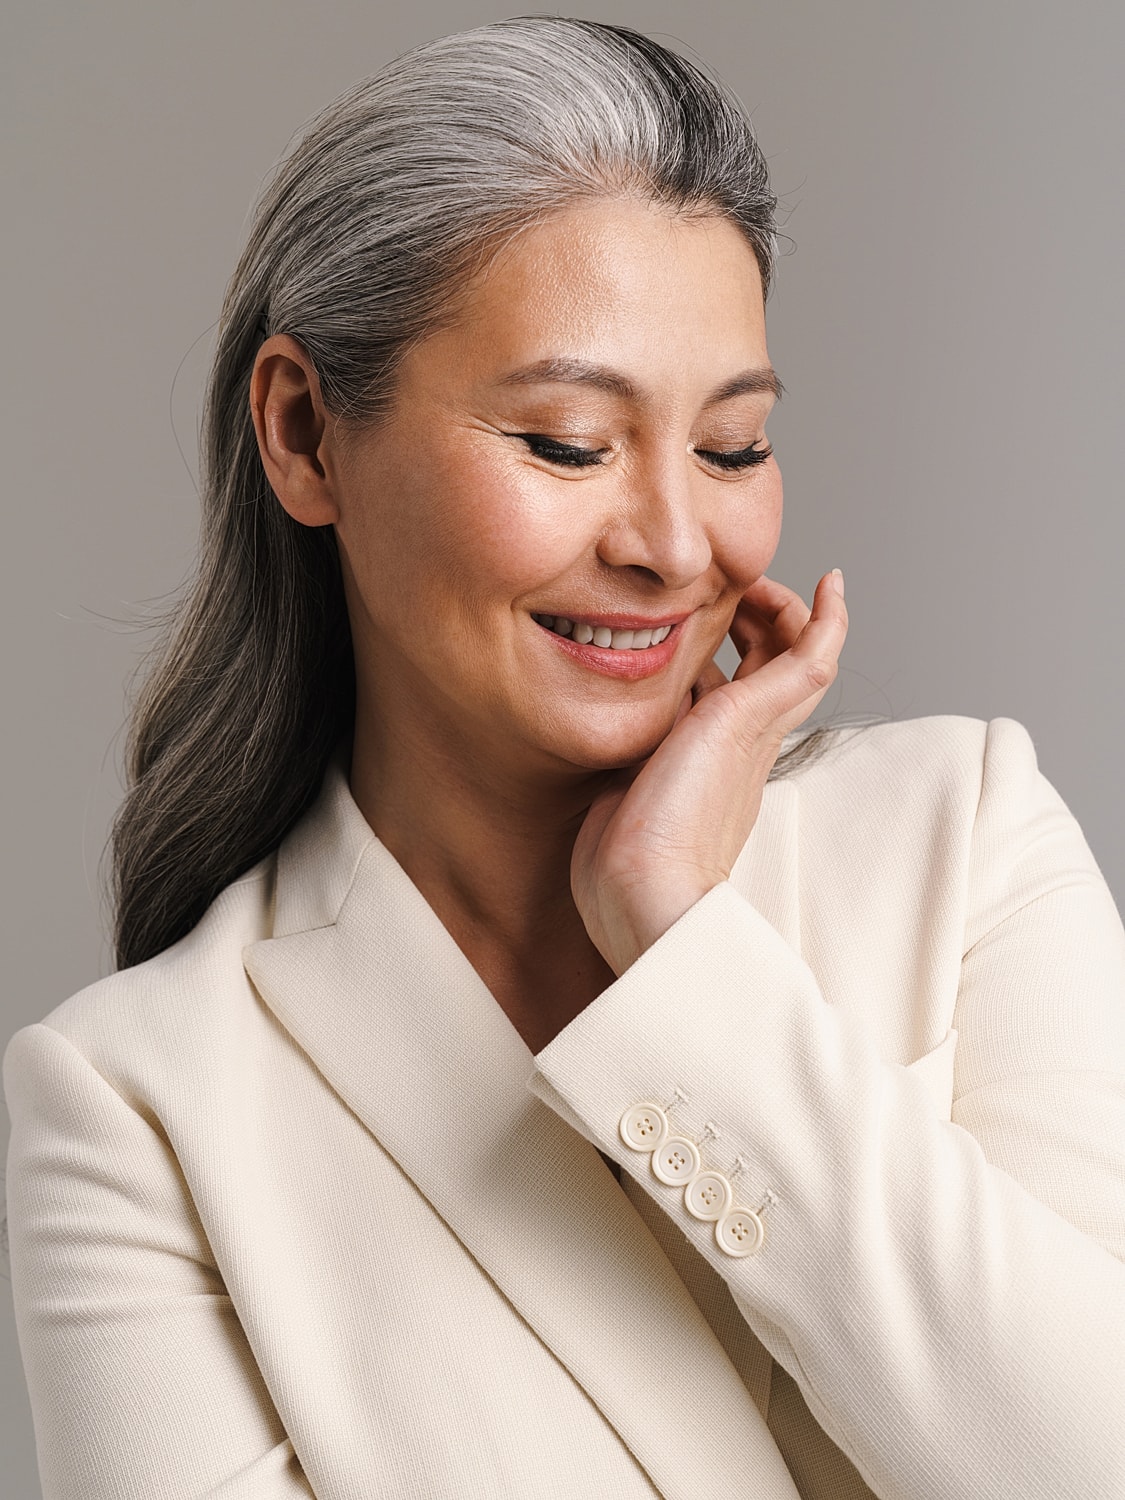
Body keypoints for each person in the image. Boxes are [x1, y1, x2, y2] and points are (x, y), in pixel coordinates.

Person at [4, 15, 1123, 1500]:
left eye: (730, 450)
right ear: (304, 435)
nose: (671, 546)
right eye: (567, 443)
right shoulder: (134, 1104)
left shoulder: (961, 837)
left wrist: (680, 945)